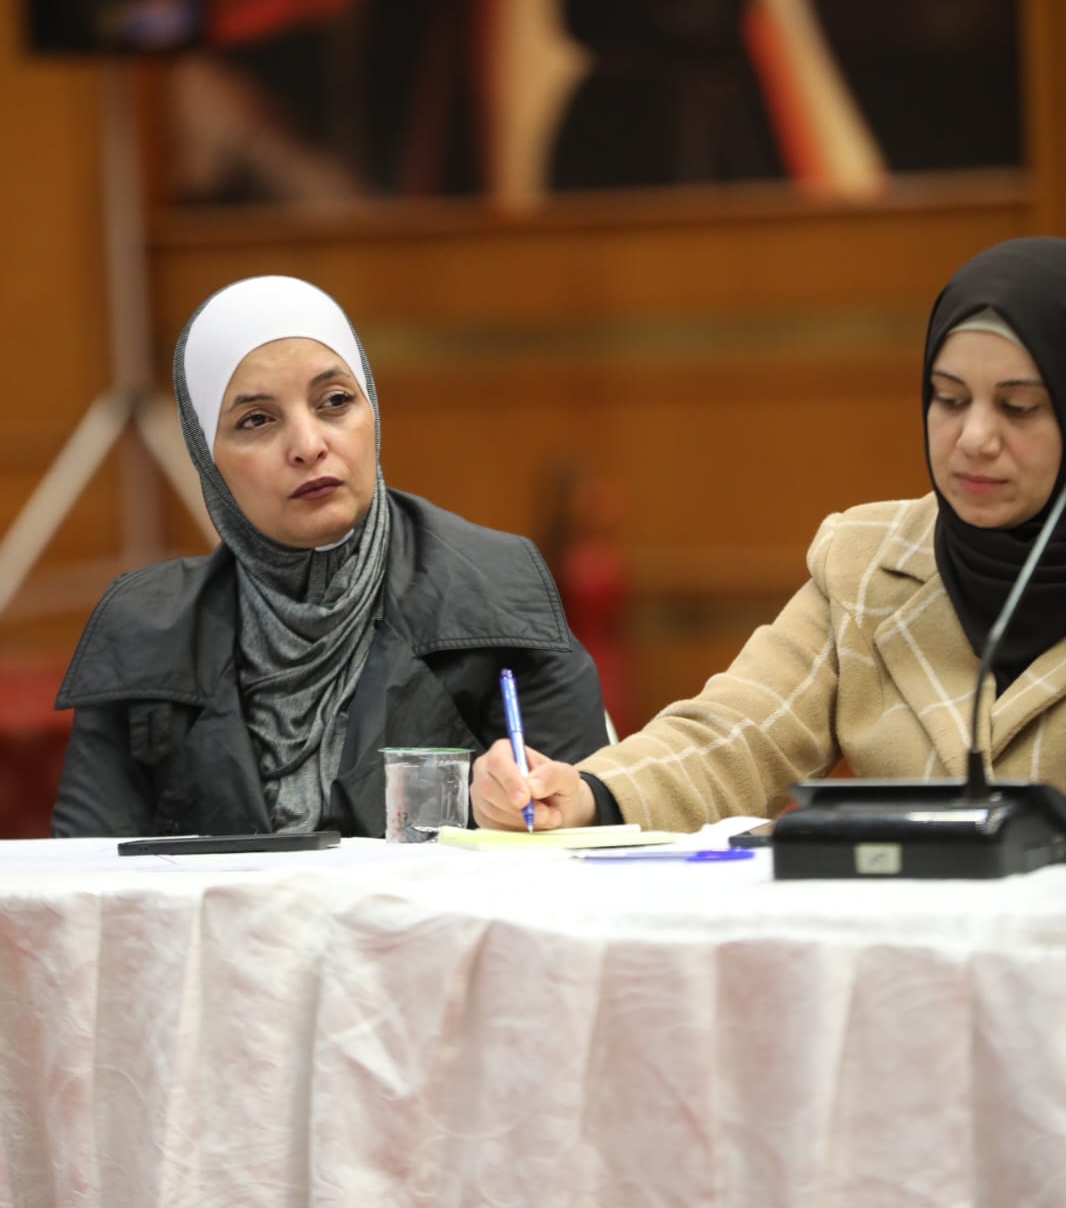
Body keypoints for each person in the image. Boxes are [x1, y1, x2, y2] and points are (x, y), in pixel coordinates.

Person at [471, 235, 1066, 832]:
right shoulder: (868, 564)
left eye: (1018, 407)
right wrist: (589, 794)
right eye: (950, 399)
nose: (974, 438)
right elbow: (739, 735)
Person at [51, 275, 606, 838]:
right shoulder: (145, 633)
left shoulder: (496, 592)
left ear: (372, 410)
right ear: (207, 458)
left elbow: (581, 841)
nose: (308, 445)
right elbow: (86, 872)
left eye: (335, 401)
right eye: (256, 420)